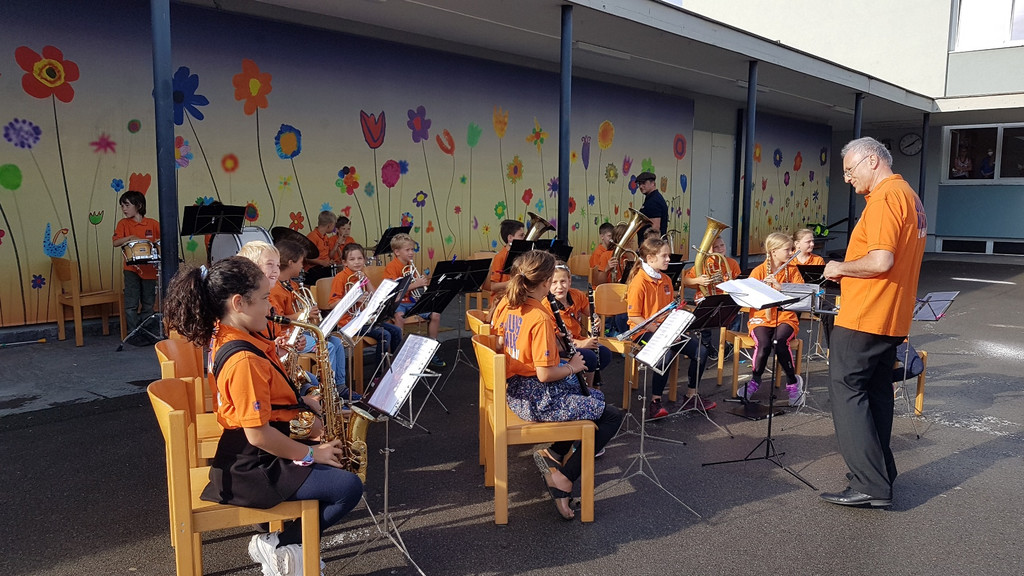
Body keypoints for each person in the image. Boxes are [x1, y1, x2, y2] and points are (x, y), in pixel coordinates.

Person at [162, 257, 363, 576]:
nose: (271, 307)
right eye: (265, 298)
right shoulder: (243, 359)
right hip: (251, 466)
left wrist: (304, 404)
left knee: (339, 474)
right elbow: (258, 434)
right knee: (348, 487)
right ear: (239, 302)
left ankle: (286, 544)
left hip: (251, 452)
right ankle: (283, 545)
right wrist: (313, 453)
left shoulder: (233, 333)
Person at [821, 136, 927, 508]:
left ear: (871, 161)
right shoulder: (909, 196)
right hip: (892, 316)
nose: (848, 179)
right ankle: (882, 474)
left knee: (847, 392)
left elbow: (881, 261)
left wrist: (839, 267)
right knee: (876, 393)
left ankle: (870, 483)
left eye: (849, 170)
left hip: (866, 314)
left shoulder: (884, 198)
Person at [490, 250, 623, 521]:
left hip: (516, 388)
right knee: (609, 415)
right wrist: (572, 366)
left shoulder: (509, 303)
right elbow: (544, 374)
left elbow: (506, 343)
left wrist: (557, 342)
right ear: (546, 281)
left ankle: (554, 453)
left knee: (590, 397)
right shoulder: (538, 316)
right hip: (536, 395)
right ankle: (564, 477)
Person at [627, 236, 714, 418]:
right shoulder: (639, 282)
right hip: (643, 332)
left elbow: (669, 311)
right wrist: (661, 332)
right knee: (665, 353)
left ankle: (691, 395)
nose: (669, 259)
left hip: (666, 330)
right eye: (665, 256)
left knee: (700, 351)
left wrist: (679, 324)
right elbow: (634, 317)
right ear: (650, 258)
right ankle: (655, 402)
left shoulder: (666, 279)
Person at [271, 240, 357, 402]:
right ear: (290, 263)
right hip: (288, 336)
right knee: (328, 346)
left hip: (300, 331)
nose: (303, 267)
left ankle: (339, 387)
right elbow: (277, 320)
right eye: (301, 262)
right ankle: (326, 393)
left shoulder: (292, 284)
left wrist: (309, 315)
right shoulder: (275, 289)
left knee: (337, 343)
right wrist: (303, 314)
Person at [238, 240, 323, 397]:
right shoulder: (250, 308)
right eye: (270, 264)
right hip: (262, 377)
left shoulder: (268, 304)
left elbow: (271, 339)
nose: (276, 270)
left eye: (277, 265)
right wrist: (276, 348)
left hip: (273, 367)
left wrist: (284, 342)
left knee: (314, 387)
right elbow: (252, 347)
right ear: (251, 268)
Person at [736, 232, 805, 406]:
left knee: (779, 341)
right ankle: (755, 381)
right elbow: (748, 299)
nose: (791, 253)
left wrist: (781, 288)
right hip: (761, 317)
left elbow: (802, 295)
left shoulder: (793, 270)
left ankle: (792, 382)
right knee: (764, 343)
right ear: (773, 251)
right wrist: (761, 289)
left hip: (785, 316)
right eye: (788, 250)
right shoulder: (758, 271)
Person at [329, 242, 403, 373]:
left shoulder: (362, 275)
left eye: (360, 258)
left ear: (364, 260)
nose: (357, 262)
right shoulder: (341, 278)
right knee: (384, 335)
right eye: (352, 259)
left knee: (396, 330)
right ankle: (378, 375)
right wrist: (353, 300)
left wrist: (367, 281)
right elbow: (332, 304)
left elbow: (376, 297)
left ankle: (396, 367)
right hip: (348, 323)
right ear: (345, 262)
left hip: (363, 319)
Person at [383, 233, 446, 368]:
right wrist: (416, 284)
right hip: (398, 303)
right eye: (408, 250)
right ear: (397, 252)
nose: (411, 252)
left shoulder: (410, 265)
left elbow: (414, 289)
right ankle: (399, 351)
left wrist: (422, 285)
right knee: (399, 316)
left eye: (412, 249)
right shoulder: (391, 268)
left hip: (411, 301)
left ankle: (430, 349)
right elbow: (394, 292)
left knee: (435, 314)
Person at [546, 261, 612, 388]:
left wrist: (596, 320)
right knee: (590, 358)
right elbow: (556, 342)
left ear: (570, 281)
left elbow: (590, 312)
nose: (559, 287)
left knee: (604, 354)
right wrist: (582, 344)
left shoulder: (576, 295)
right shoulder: (546, 305)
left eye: (563, 281)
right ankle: (587, 390)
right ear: (547, 284)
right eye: (554, 283)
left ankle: (581, 382)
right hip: (560, 347)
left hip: (577, 341)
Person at [685, 235, 742, 360]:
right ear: (708, 250)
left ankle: (730, 342)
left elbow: (739, 281)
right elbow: (685, 281)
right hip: (706, 295)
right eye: (716, 247)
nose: (720, 249)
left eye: (722, 245)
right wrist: (697, 280)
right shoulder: (702, 264)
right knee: (707, 309)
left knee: (737, 310)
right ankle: (706, 342)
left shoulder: (732, 263)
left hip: (725, 295)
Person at [111, 190, 160, 336]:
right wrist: (129, 237)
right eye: (122, 206)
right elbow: (115, 242)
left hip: (150, 269)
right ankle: (133, 332)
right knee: (131, 302)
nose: (124, 209)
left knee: (149, 302)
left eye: (127, 205)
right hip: (131, 268)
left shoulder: (152, 223)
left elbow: (162, 239)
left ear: (138, 205)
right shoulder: (123, 224)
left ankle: (147, 331)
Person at [487, 219, 527, 296]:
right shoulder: (500, 257)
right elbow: (493, 286)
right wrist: (514, 282)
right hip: (501, 299)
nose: (524, 239)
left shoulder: (523, 255)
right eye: (521, 235)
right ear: (510, 238)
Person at [304, 210, 337, 284]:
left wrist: (328, 262)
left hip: (324, 268)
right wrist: (321, 262)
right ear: (329, 225)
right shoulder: (312, 236)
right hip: (313, 270)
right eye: (334, 225)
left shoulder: (326, 237)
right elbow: (306, 257)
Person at [637, 171, 669, 238]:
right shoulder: (652, 198)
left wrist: (650, 245)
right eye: (639, 184)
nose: (640, 186)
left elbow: (655, 228)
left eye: (643, 183)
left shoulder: (653, 200)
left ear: (652, 183)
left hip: (653, 244)